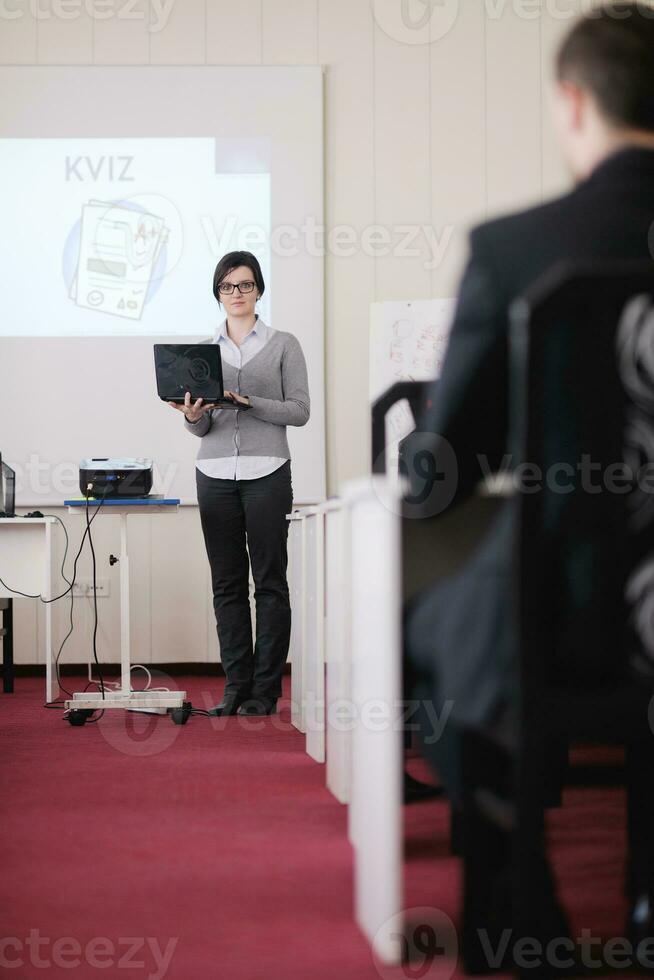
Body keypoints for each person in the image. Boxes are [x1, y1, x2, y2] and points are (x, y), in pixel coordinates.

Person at [403, 0, 654, 962]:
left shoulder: (515, 248)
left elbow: (447, 466)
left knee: (427, 624)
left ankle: (518, 901)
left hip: (572, 618)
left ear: (571, 104)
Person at [169, 250, 310, 716]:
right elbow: (203, 427)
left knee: (269, 583)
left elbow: (299, 410)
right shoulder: (203, 352)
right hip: (213, 475)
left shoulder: (284, 344)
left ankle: (265, 692)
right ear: (218, 293)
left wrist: (248, 401)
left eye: (245, 285)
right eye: (228, 287)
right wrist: (193, 417)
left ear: (259, 290)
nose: (237, 294)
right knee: (226, 585)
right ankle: (236, 687)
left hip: (267, 471)